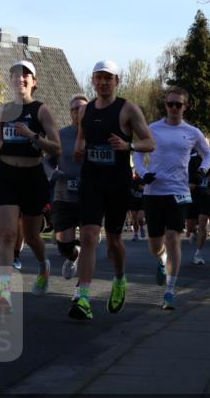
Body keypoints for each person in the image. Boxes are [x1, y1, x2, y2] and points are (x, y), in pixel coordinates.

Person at [70, 60, 155, 321]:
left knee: (114, 240)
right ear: (93, 81)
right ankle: (83, 296)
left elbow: (150, 142)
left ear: (117, 81)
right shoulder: (86, 111)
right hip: (92, 180)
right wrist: (79, 150)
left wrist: (128, 147)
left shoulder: (128, 109)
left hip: (117, 183)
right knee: (88, 237)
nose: (103, 82)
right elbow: (81, 139)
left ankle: (119, 280)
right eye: (99, 78)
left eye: (109, 78)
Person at [0, 60, 61, 312]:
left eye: (25, 75)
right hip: (6, 174)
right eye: (15, 75)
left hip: (32, 175)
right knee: (7, 234)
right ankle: (5, 294)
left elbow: (56, 147)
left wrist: (31, 135)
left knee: (30, 236)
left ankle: (43, 265)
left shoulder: (42, 110)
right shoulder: (4, 110)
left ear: (34, 81)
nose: (20, 79)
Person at [135, 87, 210, 309]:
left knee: (173, 238)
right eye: (170, 104)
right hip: (154, 193)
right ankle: (161, 261)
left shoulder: (193, 132)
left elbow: (208, 154)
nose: (173, 108)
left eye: (178, 105)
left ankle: (170, 290)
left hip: (179, 192)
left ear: (185, 107)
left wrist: (201, 172)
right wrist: (143, 173)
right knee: (155, 245)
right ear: (165, 105)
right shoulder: (152, 129)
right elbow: (138, 153)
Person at [48, 95, 86, 279]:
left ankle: (81, 291)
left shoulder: (96, 135)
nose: (79, 112)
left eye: (83, 108)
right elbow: (45, 162)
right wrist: (54, 173)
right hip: (64, 195)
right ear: (70, 113)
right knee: (64, 245)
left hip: (89, 196)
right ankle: (72, 256)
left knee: (89, 243)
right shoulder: (60, 135)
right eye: (75, 109)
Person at [186, 143, 210, 266]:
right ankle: (193, 232)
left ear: (209, 145)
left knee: (203, 222)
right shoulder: (190, 158)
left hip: (207, 195)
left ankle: (198, 253)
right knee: (190, 226)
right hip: (192, 195)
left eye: (206, 144)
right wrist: (188, 184)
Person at [128, 170, 147, 242]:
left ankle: (142, 228)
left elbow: (146, 189)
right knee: (134, 219)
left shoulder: (143, 181)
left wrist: (142, 187)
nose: (137, 173)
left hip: (141, 202)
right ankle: (135, 235)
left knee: (140, 218)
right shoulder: (131, 181)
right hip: (133, 202)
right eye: (136, 172)